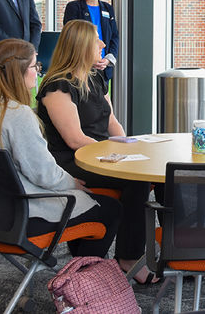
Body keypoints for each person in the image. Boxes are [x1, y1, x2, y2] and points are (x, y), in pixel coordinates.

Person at [0, 38, 120, 258]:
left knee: (92, 201)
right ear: (17, 72)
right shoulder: (17, 114)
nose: (38, 72)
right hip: (24, 215)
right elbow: (43, 172)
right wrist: (73, 183)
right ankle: (81, 280)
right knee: (111, 208)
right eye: (34, 66)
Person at [36, 19, 159, 284]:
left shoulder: (95, 78)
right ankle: (129, 258)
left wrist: (130, 147)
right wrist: (119, 159)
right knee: (137, 180)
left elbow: (112, 123)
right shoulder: (58, 86)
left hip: (102, 155)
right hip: (74, 160)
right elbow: (75, 140)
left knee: (152, 174)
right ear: (81, 46)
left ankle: (177, 251)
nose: (103, 44)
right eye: (97, 41)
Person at [63, 0, 119, 81]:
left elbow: (114, 36)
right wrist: (88, 59)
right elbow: (72, 37)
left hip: (103, 67)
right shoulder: (74, 7)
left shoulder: (107, 8)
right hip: (82, 66)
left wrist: (108, 59)